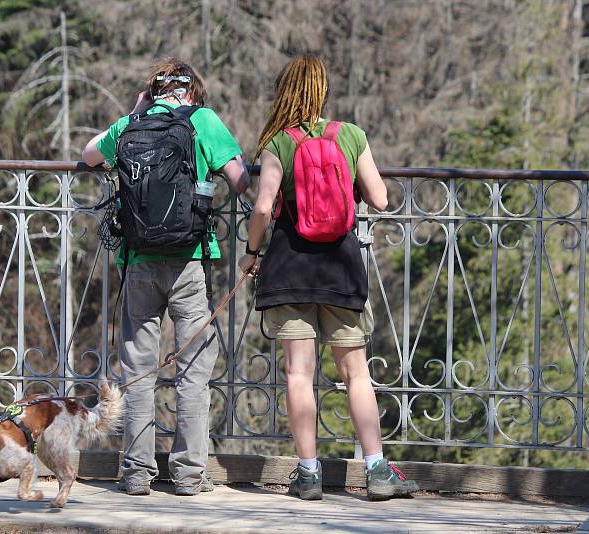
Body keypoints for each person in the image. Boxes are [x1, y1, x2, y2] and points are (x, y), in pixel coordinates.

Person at [238, 55, 418, 501]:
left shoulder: (279, 143)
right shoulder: (350, 135)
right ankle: (377, 470)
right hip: (341, 268)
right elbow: (379, 197)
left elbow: (262, 208)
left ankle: (308, 473)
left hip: (289, 270)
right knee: (355, 373)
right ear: (322, 92)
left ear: (285, 93)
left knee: (299, 374)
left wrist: (250, 252)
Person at [82, 58, 250, 496]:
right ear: (192, 90)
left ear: (151, 91)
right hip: (190, 259)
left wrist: (135, 113)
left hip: (138, 260)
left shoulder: (129, 125)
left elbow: (88, 154)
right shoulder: (203, 120)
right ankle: (190, 475)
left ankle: (137, 473)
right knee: (193, 370)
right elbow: (240, 180)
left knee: (138, 368)